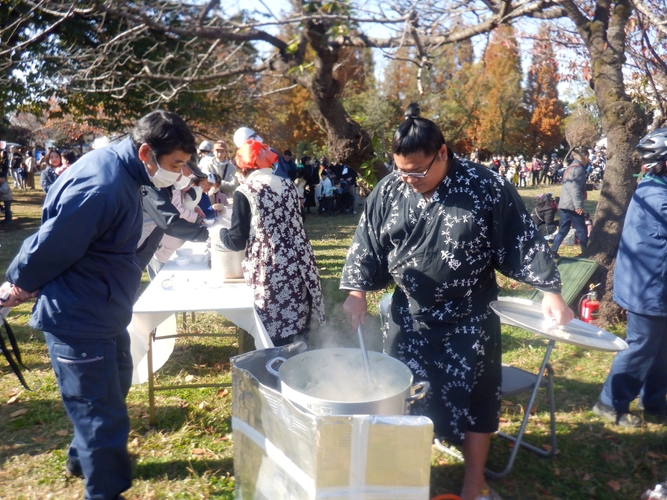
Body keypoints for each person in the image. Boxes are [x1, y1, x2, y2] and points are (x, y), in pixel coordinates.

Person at [340, 103, 573, 500]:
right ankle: (405, 477)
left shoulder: (485, 186)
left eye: (418, 170)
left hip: (470, 319)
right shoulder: (390, 189)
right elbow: (367, 243)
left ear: (442, 153)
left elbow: (521, 240)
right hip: (409, 319)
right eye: (402, 169)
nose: (409, 178)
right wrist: (357, 292)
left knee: (478, 401)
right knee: (403, 398)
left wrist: (551, 291)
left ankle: (473, 481)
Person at [0, 110, 196, 500]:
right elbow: (53, 243)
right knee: (100, 413)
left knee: (116, 380)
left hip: (104, 306)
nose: (179, 172)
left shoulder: (131, 174)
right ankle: (105, 490)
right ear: (146, 152)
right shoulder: (102, 184)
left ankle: (81, 459)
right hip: (78, 313)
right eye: (176, 165)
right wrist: (19, 284)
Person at [593, 128, 667, 428]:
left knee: (662, 350)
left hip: (652, 285)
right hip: (648, 288)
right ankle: (610, 403)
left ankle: (653, 400)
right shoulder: (657, 196)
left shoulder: (653, 187)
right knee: (641, 347)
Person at [220, 138, 325, 346]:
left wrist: (220, 233)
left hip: (270, 264)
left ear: (243, 169)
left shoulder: (246, 191)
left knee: (273, 319)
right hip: (299, 259)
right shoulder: (287, 185)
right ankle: (298, 360)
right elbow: (299, 219)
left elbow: (236, 240)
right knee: (296, 312)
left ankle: (274, 364)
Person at [549, 148, 589, 258]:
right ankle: (586, 253)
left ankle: (553, 251)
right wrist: (578, 206)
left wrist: (588, 187)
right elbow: (575, 188)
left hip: (564, 202)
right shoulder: (579, 169)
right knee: (581, 230)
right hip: (572, 205)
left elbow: (570, 185)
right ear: (585, 158)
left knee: (564, 229)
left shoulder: (569, 168)